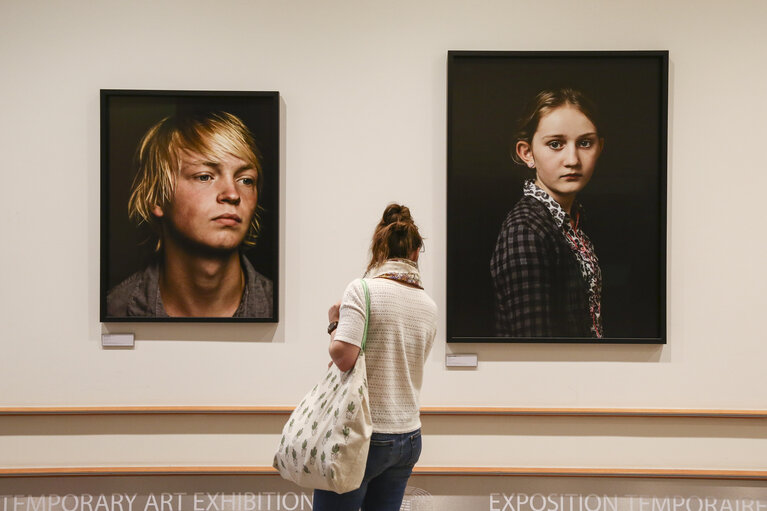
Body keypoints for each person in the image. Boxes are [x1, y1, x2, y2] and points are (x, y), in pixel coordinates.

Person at [313, 204, 438, 511]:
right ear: (416, 252)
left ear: (378, 248)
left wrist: (333, 323)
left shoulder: (363, 290)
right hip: (408, 435)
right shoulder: (428, 305)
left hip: (366, 433)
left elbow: (343, 356)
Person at [107, 111, 273, 318]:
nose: (232, 194)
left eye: (246, 180)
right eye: (204, 177)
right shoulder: (116, 310)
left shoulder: (285, 308)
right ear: (156, 198)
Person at [490, 88, 605, 338]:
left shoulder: (574, 221)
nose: (572, 159)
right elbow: (535, 348)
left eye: (585, 143)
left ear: (600, 147)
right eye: (556, 144)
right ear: (527, 153)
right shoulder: (526, 230)